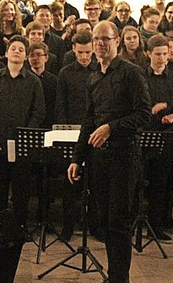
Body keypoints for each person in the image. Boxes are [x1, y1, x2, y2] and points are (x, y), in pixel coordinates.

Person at [68, 20, 151, 282]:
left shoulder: (131, 73)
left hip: (124, 157)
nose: (100, 44)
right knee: (102, 222)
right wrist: (77, 158)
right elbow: (89, 120)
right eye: (96, 39)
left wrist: (111, 128)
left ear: (117, 41)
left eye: (106, 39)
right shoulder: (94, 76)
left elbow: (144, 114)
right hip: (99, 159)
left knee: (119, 223)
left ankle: (119, 278)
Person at [0, 35, 45, 228]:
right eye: (13, 48)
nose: (16, 51)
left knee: (21, 189)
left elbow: (39, 112)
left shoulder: (33, 82)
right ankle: (0, 229)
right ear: (6, 53)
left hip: (22, 144)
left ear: (25, 57)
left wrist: (26, 137)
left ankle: (19, 228)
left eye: (21, 50)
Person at [141, 35, 173, 243]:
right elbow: (131, 108)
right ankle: (133, 223)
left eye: (165, 54)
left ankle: (155, 227)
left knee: (160, 184)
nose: (161, 58)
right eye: (157, 54)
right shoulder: (140, 77)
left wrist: (172, 116)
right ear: (148, 53)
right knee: (138, 182)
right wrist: (152, 111)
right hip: (142, 136)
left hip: (165, 137)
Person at [56, 30, 96, 241]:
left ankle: (95, 226)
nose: (84, 57)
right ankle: (68, 227)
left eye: (88, 52)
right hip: (71, 132)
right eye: (80, 52)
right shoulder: (65, 73)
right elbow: (61, 105)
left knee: (96, 182)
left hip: (94, 132)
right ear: (73, 49)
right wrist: (65, 130)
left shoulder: (99, 70)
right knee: (69, 183)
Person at [28, 41, 58, 129]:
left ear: (46, 57)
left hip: (49, 124)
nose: (35, 58)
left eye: (38, 54)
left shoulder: (54, 80)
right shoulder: (25, 79)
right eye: (32, 55)